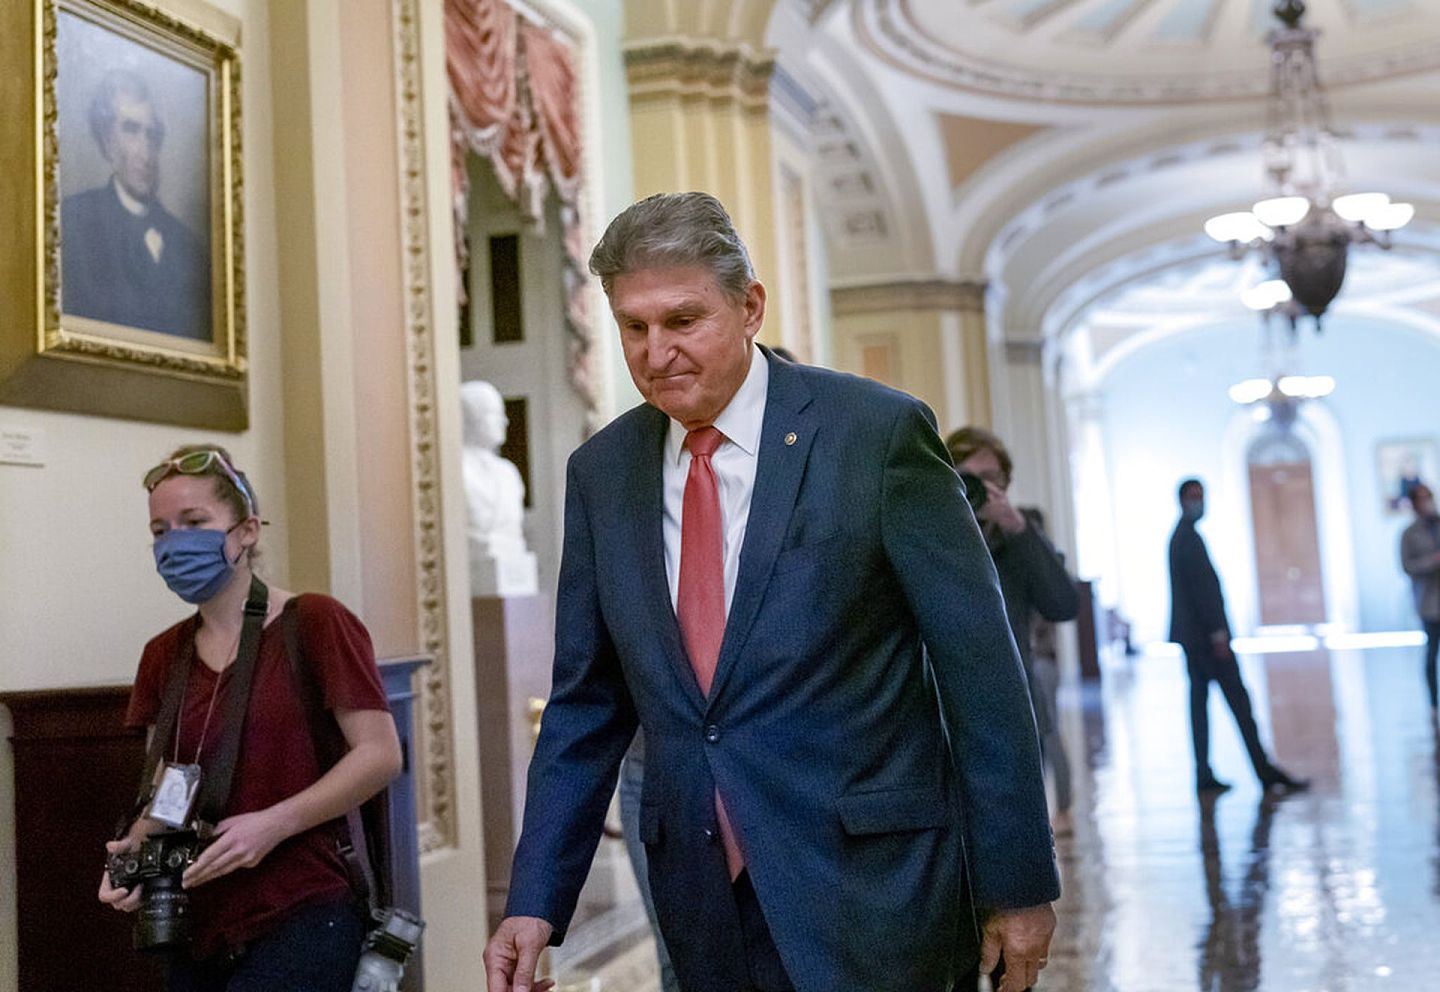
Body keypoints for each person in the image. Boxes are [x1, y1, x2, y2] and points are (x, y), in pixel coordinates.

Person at [484, 192, 1058, 992]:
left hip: (874, 888)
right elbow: (587, 701)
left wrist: (1019, 883)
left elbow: (981, 673)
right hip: (702, 892)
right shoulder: (602, 473)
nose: (656, 352)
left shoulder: (875, 435)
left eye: (683, 321)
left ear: (749, 306)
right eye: (633, 327)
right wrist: (536, 899)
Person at [99, 444, 403, 991]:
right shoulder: (163, 654)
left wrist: (274, 823)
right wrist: (133, 853)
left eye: (194, 522)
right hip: (196, 920)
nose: (175, 544)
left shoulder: (314, 622)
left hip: (303, 907)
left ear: (247, 531)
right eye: (161, 531)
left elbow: (380, 755)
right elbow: (169, 786)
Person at [947, 428, 1078, 837]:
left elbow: (1063, 604)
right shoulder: (934, 537)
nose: (981, 489)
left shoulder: (1021, 535)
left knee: (1021, 838)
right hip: (948, 712)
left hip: (1015, 709)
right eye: (967, 478)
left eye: (991, 478)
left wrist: (1017, 526)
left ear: (1005, 482)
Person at [1168, 478, 1308, 796]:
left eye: (1202, 496)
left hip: (1195, 640)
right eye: (1193, 497)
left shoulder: (1184, 537)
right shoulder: (1187, 540)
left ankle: (1207, 773)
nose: (1198, 503)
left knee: (1201, 706)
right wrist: (1218, 634)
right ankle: (1264, 771)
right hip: (1205, 640)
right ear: (1181, 500)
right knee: (1238, 704)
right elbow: (1203, 594)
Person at [62, 69, 211, 339]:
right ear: (107, 142)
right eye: (131, 130)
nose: (146, 152)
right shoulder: (70, 223)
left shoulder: (191, 248)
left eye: (152, 135)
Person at [1399, 482, 1440, 714]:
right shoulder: (1408, 534)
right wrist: (1432, 561)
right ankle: (1434, 702)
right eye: (1421, 499)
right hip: (1429, 602)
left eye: (1429, 497)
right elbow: (1406, 566)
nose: (1427, 503)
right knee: (1432, 653)